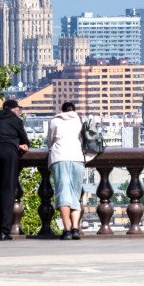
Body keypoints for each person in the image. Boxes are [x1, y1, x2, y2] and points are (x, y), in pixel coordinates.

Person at [0, 97, 29, 241]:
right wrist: (18, 144)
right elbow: (25, 141)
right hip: (8, 154)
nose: (18, 112)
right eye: (18, 110)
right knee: (7, 192)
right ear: (14, 110)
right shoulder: (16, 120)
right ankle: (4, 231)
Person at [45, 100, 85, 240]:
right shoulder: (79, 120)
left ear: (62, 111)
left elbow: (50, 141)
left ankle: (67, 230)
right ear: (74, 110)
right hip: (77, 157)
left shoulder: (54, 121)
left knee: (63, 193)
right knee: (75, 195)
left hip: (60, 157)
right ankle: (75, 228)